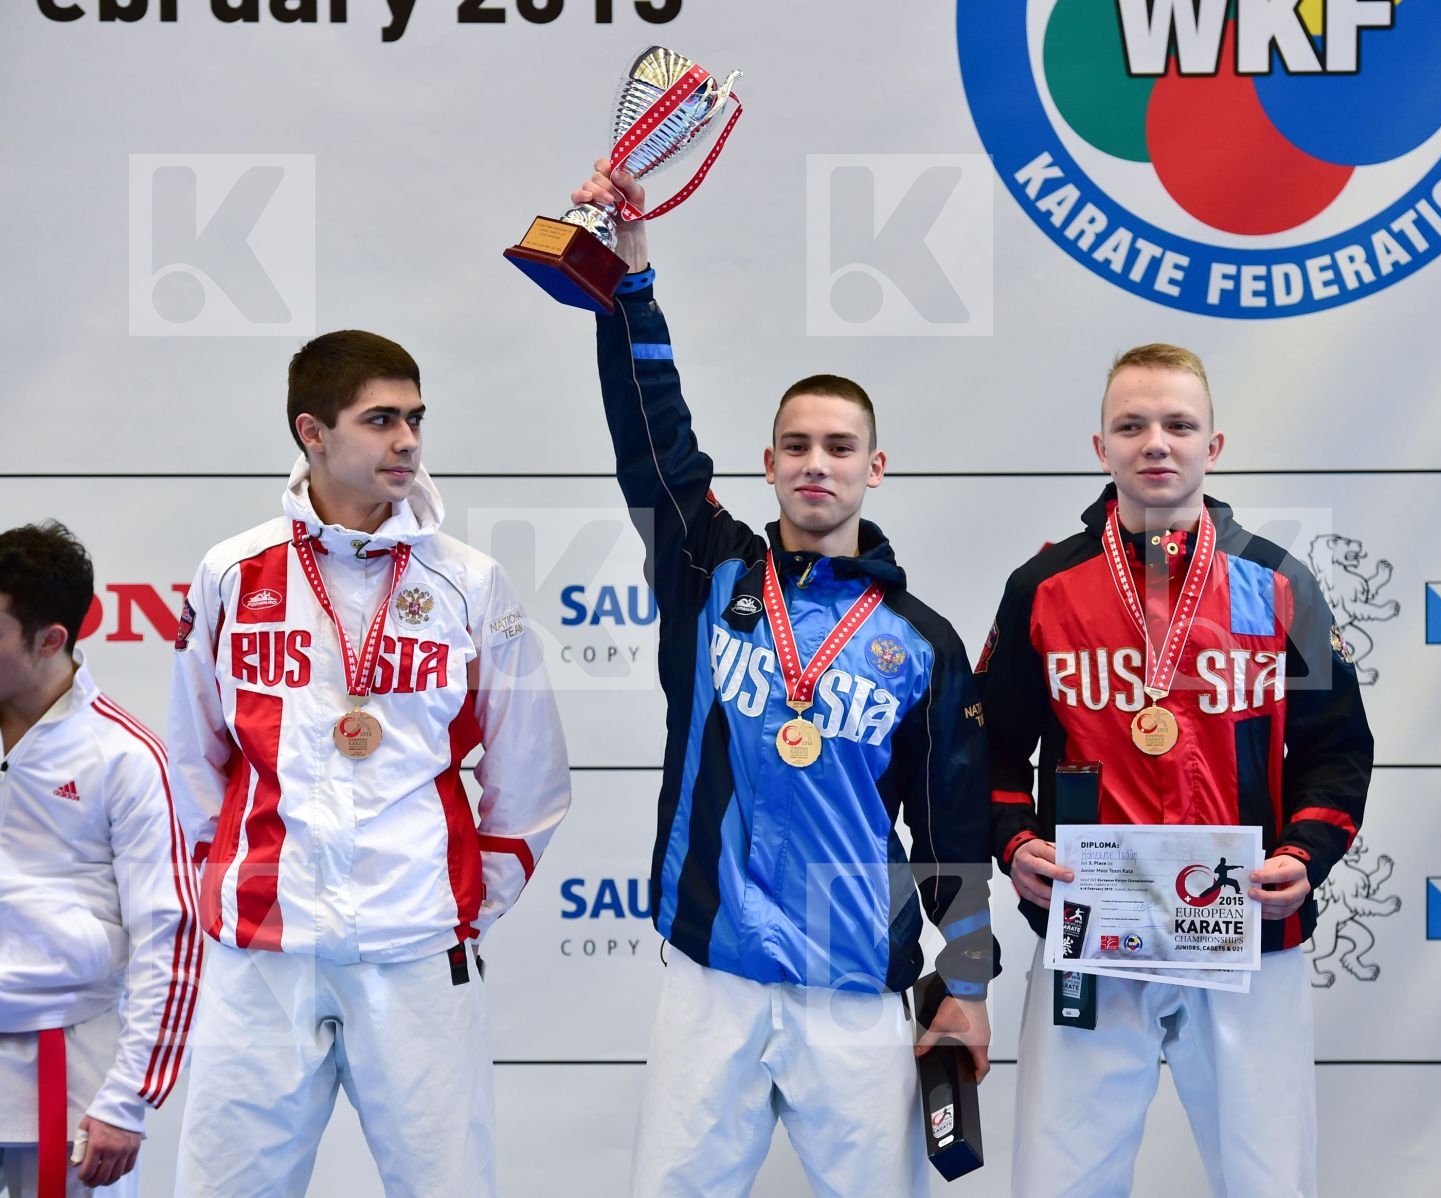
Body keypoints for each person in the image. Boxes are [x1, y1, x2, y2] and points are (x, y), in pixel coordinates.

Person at [575, 165, 997, 1198]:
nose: (818, 463)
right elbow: (652, 441)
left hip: (857, 990)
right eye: (798, 445)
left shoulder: (921, 641)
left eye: (839, 447)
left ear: (875, 467)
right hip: (712, 974)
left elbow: (953, 833)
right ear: (767, 462)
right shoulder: (707, 569)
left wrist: (970, 983)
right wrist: (633, 274)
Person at [164, 331, 572, 1197]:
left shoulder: (471, 581)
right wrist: (224, 878)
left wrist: (458, 906)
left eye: (415, 418)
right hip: (262, 952)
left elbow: (530, 775)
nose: (408, 441)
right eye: (380, 419)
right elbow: (194, 758)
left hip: (417, 952)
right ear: (313, 432)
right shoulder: (232, 573)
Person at [981, 343, 1374, 1197]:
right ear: (1101, 447)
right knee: (1061, 1181)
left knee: (1269, 1180)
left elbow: (1335, 748)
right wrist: (1014, 840)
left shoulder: (1278, 584)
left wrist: (1304, 856)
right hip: (1092, 925)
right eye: (1132, 425)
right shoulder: (1043, 586)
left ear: (1214, 445)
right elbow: (993, 748)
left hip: (1245, 928)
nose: (1155, 442)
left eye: (1177, 425)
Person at [0, 521, 199, 1198]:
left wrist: (128, 1097)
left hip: (70, 1069)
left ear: (51, 640)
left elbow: (169, 938)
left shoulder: (126, 756)